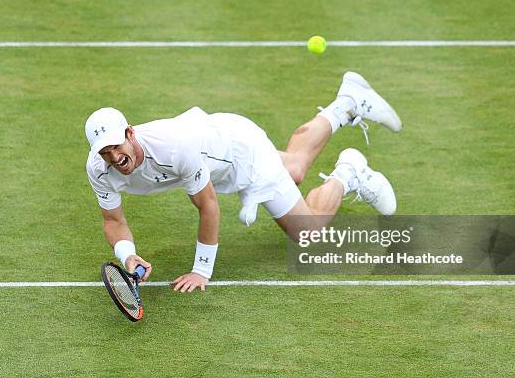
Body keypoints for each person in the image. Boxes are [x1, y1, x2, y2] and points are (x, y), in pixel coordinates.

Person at [85, 71, 402, 292]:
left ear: (130, 133)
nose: (114, 157)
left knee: (306, 230)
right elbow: (113, 220)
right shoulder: (98, 168)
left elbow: (208, 205)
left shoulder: (175, 148)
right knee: (294, 166)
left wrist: (201, 270)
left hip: (241, 150)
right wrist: (128, 255)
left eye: (117, 146)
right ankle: (347, 103)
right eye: (105, 151)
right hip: (217, 138)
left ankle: (349, 172)